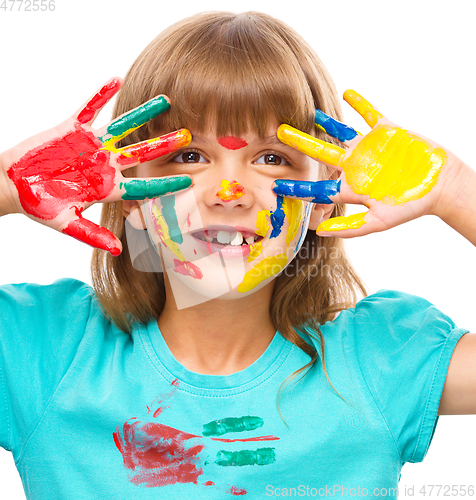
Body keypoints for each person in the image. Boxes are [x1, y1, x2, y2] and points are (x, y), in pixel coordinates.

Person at [0, 11, 475, 499]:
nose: (229, 192)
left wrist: (455, 191)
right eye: (188, 155)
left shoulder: (378, 361)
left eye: (272, 159)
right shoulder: (47, 351)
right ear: (133, 196)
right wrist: (6, 185)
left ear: (324, 198)